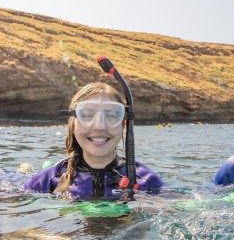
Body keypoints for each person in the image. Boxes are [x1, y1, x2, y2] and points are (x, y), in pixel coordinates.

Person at [23, 82, 165, 199]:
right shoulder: (49, 179)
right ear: (73, 124)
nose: (99, 126)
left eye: (111, 115)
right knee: (24, 174)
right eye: (87, 115)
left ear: (123, 124)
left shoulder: (146, 180)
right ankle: (24, 170)